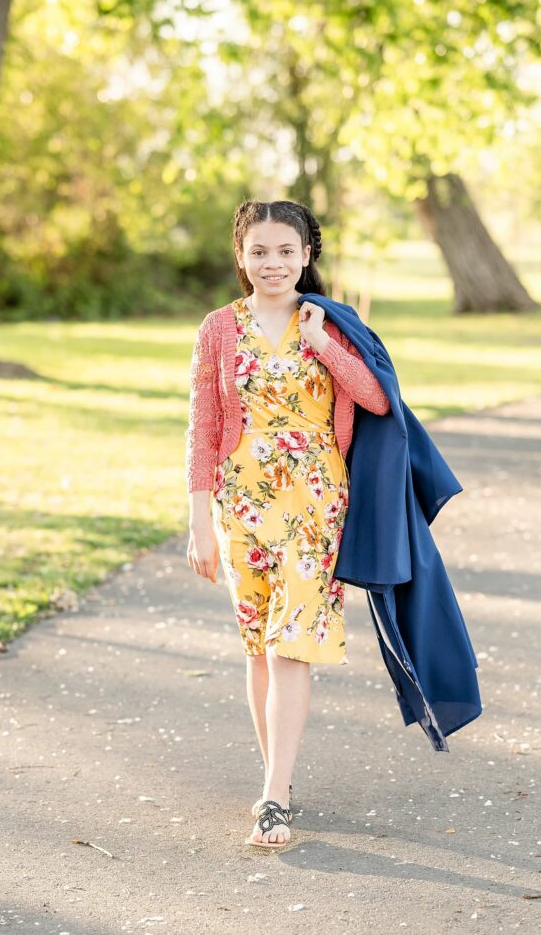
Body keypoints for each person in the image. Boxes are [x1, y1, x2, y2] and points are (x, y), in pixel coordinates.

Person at [185, 199, 390, 848]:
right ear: (241, 257)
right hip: (241, 505)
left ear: (306, 255)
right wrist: (199, 521)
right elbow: (203, 428)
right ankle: (278, 775)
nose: (271, 263)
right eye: (258, 251)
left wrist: (321, 343)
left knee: (289, 644)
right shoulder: (218, 328)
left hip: (314, 506)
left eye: (284, 251)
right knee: (258, 649)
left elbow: (376, 397)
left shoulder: (330, 323)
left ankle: (274, 796)